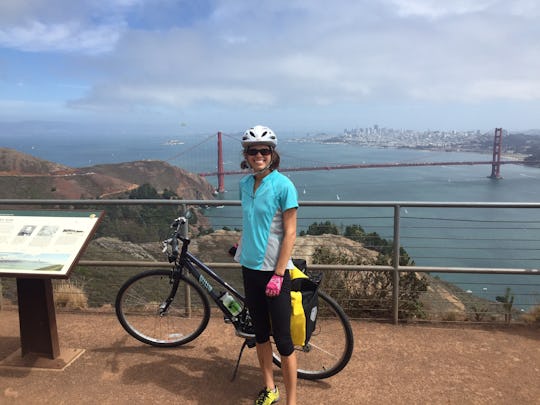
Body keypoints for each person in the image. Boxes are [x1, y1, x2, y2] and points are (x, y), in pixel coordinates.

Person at [233, 125, 298, 405]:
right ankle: (270, 389)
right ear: (246, 154)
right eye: (252, 150)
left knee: (283, 341)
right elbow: (249, 222)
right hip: (250, 268)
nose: (258, 155)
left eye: (264, 150)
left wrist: (279, 274)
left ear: (272, 153)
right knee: (260, 334)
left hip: (275, 272)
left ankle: (292, 401)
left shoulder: (284, 185)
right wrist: (240, 246)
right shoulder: (244, 185)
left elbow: (290, 232)